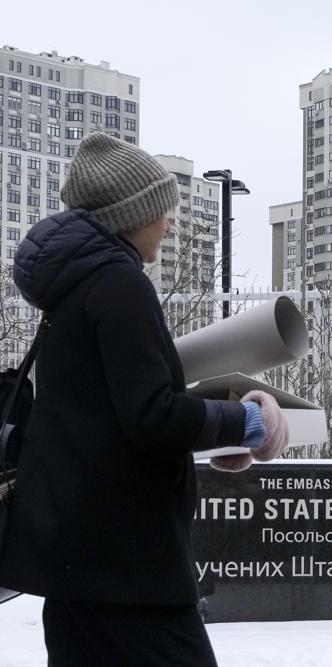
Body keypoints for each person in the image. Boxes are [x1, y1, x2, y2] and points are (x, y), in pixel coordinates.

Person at [0, 132, 289, 665]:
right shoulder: (120, 285)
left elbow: (102, 420)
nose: (168, 224)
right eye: (161, 212)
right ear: (130, 215)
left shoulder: (72, 289)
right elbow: (152, 416)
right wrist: (249, 422)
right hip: (128, 572)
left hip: (76, 564)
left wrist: (211, 429)